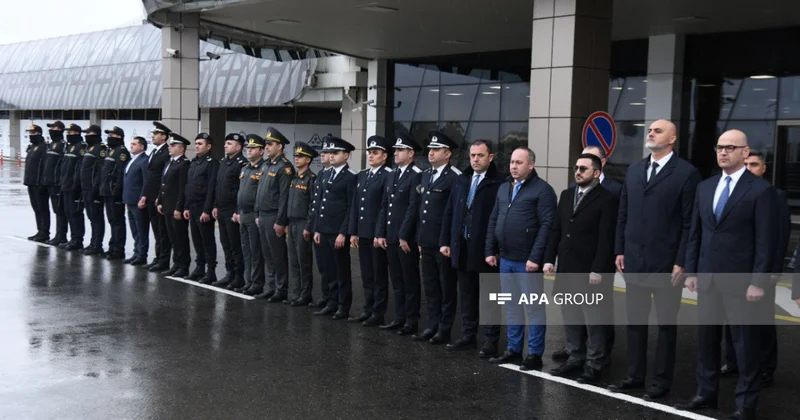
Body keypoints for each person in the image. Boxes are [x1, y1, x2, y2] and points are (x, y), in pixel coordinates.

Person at [678, 130, 777, 420]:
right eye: (720, 147)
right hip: (708, 279)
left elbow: (765, 243)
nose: (724, 152)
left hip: (742, 284)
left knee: (745, 346)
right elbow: (696, 233)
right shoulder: (706, 187)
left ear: (745, 153)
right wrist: (692, 271)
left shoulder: (760, 191)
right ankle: (705, 394)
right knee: (707, 342)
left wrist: (758, 282)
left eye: (731, 148)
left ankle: (745, 404)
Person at [609, 119, 702, 400]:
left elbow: (689, 223)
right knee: (635, 322)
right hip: (634, 260)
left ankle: (660, 382)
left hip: (667, 264)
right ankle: (635, 376)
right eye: (650, 129)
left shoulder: (687, 174)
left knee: (665, 326)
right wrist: (620, 250)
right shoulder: (635, 170)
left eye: (658, 130)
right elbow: (623, 213)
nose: (650, 132)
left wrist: (682, 261)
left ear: (672, 138)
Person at [543, 153, 617, 384]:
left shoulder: (607, 199)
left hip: (590, 271)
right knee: (571, 315)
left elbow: (607, 239)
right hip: (567, 268)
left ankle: (595, 363)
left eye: (583, 169)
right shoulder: (566, 195)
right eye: (576, 168)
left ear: (596, 173)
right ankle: (575, 357)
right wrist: (548, 259)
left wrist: (598, 269)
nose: (577, 172)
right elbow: (556, 229)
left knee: (593, 319)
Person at [720, 150, 789, 388]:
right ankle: (733, 362)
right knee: (732, 319)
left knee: (762, 321)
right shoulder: (733, 193)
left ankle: (766, 368)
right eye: (746, 164)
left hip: (761, 271)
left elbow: (778, 236)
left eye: (754, 164)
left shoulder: (774, 195)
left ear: (763, 169)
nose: (749, 168)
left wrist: (773, 270)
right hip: (737, 269)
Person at [486, 147, 557, 370]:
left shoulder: (543, 190)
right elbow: (494, 219)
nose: (514, 166)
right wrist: (490, 249)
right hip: (505, 258)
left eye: (519, 162)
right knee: (511, 306)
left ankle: (534, 354)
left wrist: (536, 257)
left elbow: (547, 226)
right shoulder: (504, 188)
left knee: (533, 308)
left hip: (527, 261)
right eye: (512, 162)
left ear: (531, 165)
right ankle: (513, 349)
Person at [440, 139, 504, 358]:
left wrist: (495, 249)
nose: (475, 159)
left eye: (480, 155)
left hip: (486, 250)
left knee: (490, 297)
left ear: (491, 157)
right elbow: (450, 212)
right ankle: (468, 335)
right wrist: (445, 241)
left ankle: (490, 340)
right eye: (473, 155)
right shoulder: (462, 180)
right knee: (467, 294)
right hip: (462, 246)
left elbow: (500, 219)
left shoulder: (499, 182)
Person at [414, 131, 461, 345]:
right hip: (427, 242)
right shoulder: (426, 175)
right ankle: (432, 324)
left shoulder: (455, 178)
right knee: (431, 286)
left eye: (436, 150)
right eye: (430, 150)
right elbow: (421, 211)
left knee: (446, 288)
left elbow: (455, 214)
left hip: (443, 244)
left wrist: (449, 242)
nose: (431, 153)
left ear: (447, 154)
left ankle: (444, 328)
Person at [375, 132, 423, 335]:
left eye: (400, 150)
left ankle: (411, 321)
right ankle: (400, 317)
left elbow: (414, 207)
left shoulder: (417, 175)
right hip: (391, 236)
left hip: (406, 238)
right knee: (396, 280)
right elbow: (385, 205)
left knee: (409, 280)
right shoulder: (393, 174)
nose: (395, 153)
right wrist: (381, 232)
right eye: (395, 150)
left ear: (411, 153)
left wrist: (404, 235)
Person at [310, 136, 356, 320]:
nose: (331, 156)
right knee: (327, 269)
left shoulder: (351, 177)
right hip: (324, 230)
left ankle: (343, 306)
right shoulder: (326, 174)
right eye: (329, 153)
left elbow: (350, 207)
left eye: (335, 153)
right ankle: (330, 301)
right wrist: (318, 229)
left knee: (341, 270)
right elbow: (320, 204)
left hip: (337, 232)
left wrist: (343, 232)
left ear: (346, 155)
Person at [348, 135, 392, 326]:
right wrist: (354, 231)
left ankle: (378, 311)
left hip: (376, 233)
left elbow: (385, 206)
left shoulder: (388, 175)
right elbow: (356, 205)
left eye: (375, 153)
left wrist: (379, 232)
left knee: (378, 274)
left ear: (384, 156)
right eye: (369, 153)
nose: (371, 156)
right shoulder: (363, 175)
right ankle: (368, 308)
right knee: (366, 273)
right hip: (363, 232)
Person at [254, 127, 295, 302]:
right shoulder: (265, 165)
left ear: (280, 146)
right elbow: (259, 192)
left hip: (273, 216)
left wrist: (280, 220)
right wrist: (257, 212)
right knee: (267, 254)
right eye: (266, 144)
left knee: (277, 254)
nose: (267, 147)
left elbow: (285, 197)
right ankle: (270, 286)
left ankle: (281, 288)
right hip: (262, 215)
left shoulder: (284, 167)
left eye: (270, 144)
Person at [212, 133, 248, 290]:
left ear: (238, 147)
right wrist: (215, 205)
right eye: (225, 143)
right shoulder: (224, 162)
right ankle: (229, 274)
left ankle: (239, 277)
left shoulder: (242, 163)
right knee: (225, 244)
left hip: (232, 211)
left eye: (229, 143)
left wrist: (237, 210)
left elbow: (241, 189)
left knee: (235, 246)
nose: (225, 146)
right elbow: (218, 186)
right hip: (221, 209)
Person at [185, 133, 220, 284]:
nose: (197, 146)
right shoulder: (194, 162)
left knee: (207, 240)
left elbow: (212, 188)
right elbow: (188, 186)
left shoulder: (212, 163)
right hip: (192, 207)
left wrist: (207, 210)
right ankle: (199, 267)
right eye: (196, 143)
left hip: (202, 207)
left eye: (200, 143)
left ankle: (211, 271)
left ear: (209, 146)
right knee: (197, 240)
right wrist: (186, 206)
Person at [235, 135, 268, 295]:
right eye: (248, 148)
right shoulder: (245, 167)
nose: (249, 150)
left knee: (256, 251)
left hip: (254, 215)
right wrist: (237, 211)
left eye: (253, 148)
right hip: (243, 213)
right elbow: (240, 192)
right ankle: (248, 281)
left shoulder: (263, 168)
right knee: (246, 250)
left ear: (261, 151)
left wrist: (257, 214)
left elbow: (261, 194)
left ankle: (257, 283)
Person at [286, 142, 318, 306]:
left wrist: (308, 226)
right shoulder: (294, 178)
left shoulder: (311, 179)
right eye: (296, 156)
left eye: (300, 157)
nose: (296, 159)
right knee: (293, 260)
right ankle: (296, 292)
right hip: (291, 223)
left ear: (308, 160)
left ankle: (305, 294)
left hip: (302, 224)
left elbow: (313, 205)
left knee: (303, 260)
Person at [156, 132, 191, 278]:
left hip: (176, 207)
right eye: (170, 145)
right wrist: (160, 200)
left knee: (180, 237)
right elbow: (164, 184)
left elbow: (182, 188)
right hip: (167, 206)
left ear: (182, 149)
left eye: (173, 145)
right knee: (172, 237)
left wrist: (179, 208)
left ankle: (183, 265)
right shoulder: (170, 162)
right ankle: (176, 264)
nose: (170, 147)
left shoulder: (184, 164)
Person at [142, 122, 172, 273]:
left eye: (156, 134)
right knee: (156, 230)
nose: (153, 136)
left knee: (162, 231)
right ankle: (158, 257)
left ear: (164, 137)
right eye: (153, 133)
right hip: (151, 197)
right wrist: (145, 195)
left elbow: (163, 178)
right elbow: (150, 177)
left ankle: (164, 260)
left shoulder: (166, 153)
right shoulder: (155, 152)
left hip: (159, 199)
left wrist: (159, 197)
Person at [99, 126, 129, 260]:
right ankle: (112, 246)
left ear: (119, 137)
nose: (109, 137)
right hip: (107, 191)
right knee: (112, 220)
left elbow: (120, 173)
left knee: (118, 221)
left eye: (112, 135)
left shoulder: (122, 152)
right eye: (109, 134)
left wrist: (116, 191)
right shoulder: (110, 151)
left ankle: (118, 249)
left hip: (114, 193)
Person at [308, 147, 331, 309]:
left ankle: (335, 301)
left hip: (333, 230)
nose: (322, 156)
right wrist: (314, 228)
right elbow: (316, 205)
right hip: (320, 228)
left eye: (327, 153)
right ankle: (326, 296)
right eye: (321, 153)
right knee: (323, 266)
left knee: (335, 269)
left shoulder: (346, 175)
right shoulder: (322, 174)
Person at [58, 123, 86, 251]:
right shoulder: (69, 147)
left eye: (71, 133)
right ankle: (73, 238)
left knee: (75, 213)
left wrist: (76, 185)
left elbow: (79, 168)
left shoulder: (81, 147)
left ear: (77, 133)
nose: (68, 135)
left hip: (74, 186)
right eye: (68, 133)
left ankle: (78, 240)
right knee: (68, 213)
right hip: (66, 185)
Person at [78, 125, 106, 255]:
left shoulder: (101, 149)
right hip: (86, 188)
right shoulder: (89, 148)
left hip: (93, 189)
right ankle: (93, 242)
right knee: (91, 217)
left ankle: (97, 244)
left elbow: (100, 171)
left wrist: (96, 188)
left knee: (96, 218)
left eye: (88, 134)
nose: (86, 136)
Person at [122, 136, 149, 265]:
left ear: (142, 147)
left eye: (134, 144)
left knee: (141, 228)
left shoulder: (144, 161)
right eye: (131, 143)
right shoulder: (132, 160)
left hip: (138, 201)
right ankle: (136, 252)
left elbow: (145, 181)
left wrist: (142, 197)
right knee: (134, 228)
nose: (131, 145)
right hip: (130, 200)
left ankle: (142, 254)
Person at [42, 121, 68, 246]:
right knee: (56, 210)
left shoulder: (63, 145)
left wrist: (59, 180)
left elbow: (63, 165)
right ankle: (58, 234)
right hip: (49, 182)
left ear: (61, 130)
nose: (52, 129)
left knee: (60, 210)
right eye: (51, 128)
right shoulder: (51, 144)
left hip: (57, 183)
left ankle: (61, 236)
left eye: (54, 128)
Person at [24, 124, 50, 242]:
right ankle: (39, 230)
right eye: (30, 133)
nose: (31, 135)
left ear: (39, 134)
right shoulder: (32, 147)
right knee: (36, 208)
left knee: (42, 208)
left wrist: (43, 182)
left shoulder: (43, 147)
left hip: (39, 183)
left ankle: (45, 231)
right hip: (31, 182)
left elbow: (45, 166)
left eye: (33, 133)